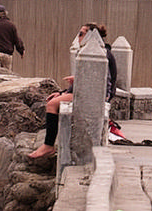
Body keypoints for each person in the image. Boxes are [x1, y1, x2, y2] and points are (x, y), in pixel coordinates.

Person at [29, 23, 118, 158]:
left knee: (52, 105)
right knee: (54, 100)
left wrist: (78, 80)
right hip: (85, 91)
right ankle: (49, 144)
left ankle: (48, 146)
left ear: (90, 37)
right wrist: (62, 93)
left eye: (81, 34)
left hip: (94, 95)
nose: (78, 37)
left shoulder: (103, 53)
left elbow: (103, 81)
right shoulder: (91, 51)